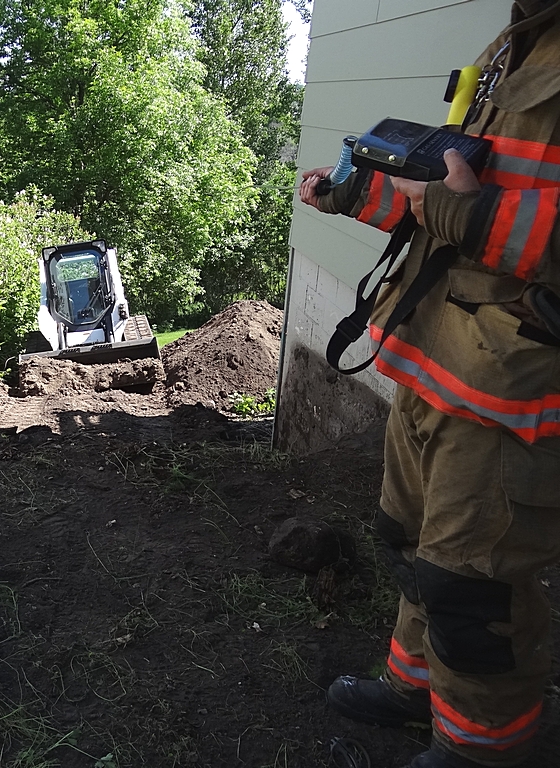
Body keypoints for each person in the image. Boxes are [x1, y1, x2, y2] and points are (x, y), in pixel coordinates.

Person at [298, 2, 560, 767]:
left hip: (512, 398)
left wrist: (465, 212)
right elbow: (451, 204)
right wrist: (357, 196)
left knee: (473, 594)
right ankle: (419, 689)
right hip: (436, 364)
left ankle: (482, 751)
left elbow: (473, 213)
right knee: (415, 549)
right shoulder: (519, 39)